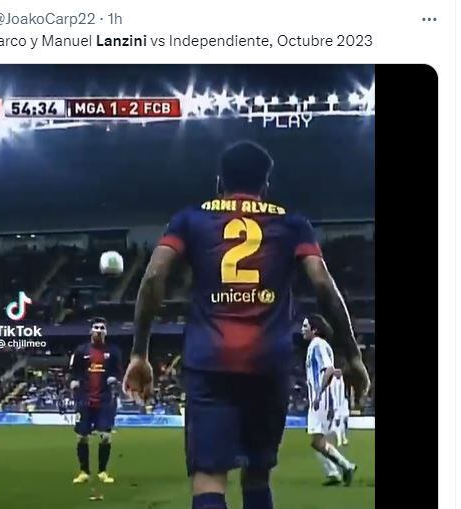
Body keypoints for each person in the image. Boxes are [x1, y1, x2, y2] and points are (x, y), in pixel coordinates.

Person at [123, 140, 370, 509]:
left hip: (209, 363)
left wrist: (139, 353)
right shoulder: (292, 223)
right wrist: (352, 356)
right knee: (257, 475)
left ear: (219, 182)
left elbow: (154, 277)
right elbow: (323, 285)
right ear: (265, 185)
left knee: (209, 478)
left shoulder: (190, 219)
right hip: (268, 364)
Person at [302, 315, 358, 486]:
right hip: (321, 398)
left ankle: (346, 466)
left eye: (305, 326)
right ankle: (333, 472)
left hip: (321, 399)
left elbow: (329, 369)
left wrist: (319, 394)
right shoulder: (318, 345)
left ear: (315, 329)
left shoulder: (317, 344)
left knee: (317, 441)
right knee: (318, 439)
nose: (302, 329)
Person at [69, 317, 122, 484]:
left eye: (102, 328)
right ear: (91, 331)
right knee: (81, 437)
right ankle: (84, 472)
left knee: (105, 436)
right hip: (84, 400)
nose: (99, 330)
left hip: (105, 400)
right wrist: (74, 381)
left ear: (106, 332)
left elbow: (118, 371)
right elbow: (74, 371)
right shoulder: (81, 351)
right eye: (96, 327)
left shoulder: (113, 352)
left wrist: (114, 378)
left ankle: (102, 472)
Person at [330, 366, 350, 446]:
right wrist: (335, 407)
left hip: (343, 405)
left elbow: (345, 393)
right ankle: (339, 440)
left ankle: (344, 438)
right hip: (337, 406)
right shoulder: (333, 383)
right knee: (338, 423)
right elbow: (333, 395)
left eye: (340, 372)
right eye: (337, 372)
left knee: (343, 422)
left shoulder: (343, 381)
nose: (339, 373)